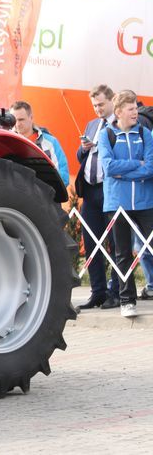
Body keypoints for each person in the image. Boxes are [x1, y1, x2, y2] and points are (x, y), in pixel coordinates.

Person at [98, 90, 153, 318]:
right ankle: (126, 300)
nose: (135, 113)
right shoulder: (106, 135)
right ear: (119, 112)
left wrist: (126, 172)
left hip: (145, 201)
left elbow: (150, 167)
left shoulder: (146, 133)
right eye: (131, 109)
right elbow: (109, 168)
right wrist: (135, 166)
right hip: (117, 203)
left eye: (136, 109)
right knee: (122, 254)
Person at [74, 85, 121, 309]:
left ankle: (116, 291)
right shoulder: (92, 124)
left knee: (114, 243)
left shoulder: (119, 124)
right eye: (94, 105)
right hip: (90, 190)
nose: (97, 109)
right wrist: (84, 148)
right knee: (92, 241)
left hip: (110, 189)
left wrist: (103, 146)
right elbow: (79, 156)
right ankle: (98, 291)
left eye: (101, 104)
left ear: (112, 101)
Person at [9, 101, 69, 184]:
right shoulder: (6, 142)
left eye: (21, 120)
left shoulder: (50, 142)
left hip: (44, 194)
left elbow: (63, 178)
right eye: (14, 120)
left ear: (31, 118)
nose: (17, 124)